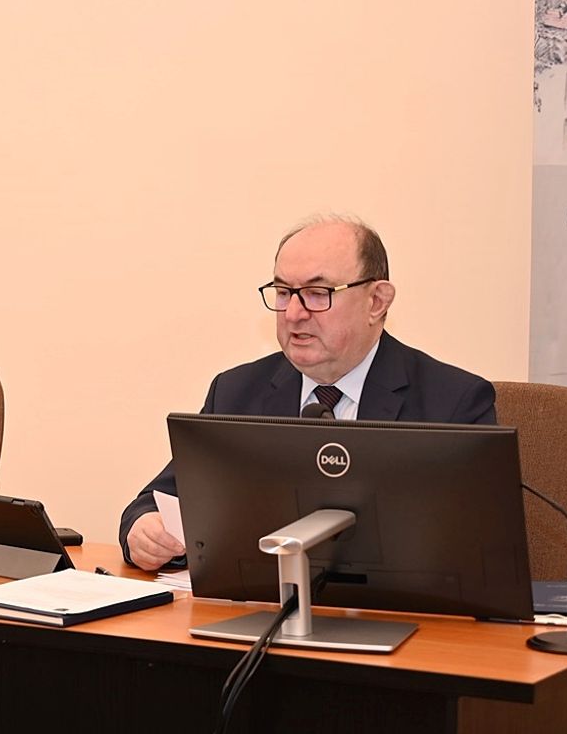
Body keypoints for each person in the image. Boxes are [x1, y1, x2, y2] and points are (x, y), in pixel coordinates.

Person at [119, 215, 495, 570]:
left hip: (401, 612)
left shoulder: (454, 402)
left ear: (376, 302)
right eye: (284, 292)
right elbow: (158, 501)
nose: (294, 314)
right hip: (266, 606)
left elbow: (482, 549)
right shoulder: (236, 393)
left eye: (317, 293)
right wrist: (145, 530)